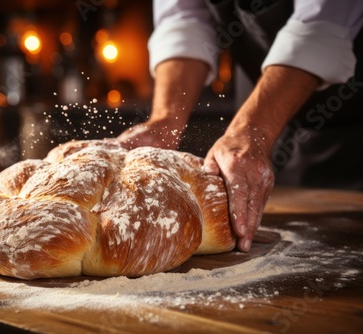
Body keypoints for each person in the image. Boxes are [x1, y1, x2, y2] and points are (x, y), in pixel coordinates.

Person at [116, 0, 363, 252]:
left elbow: (321, 28)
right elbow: (185, 21)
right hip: (259, 98)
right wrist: (164, 121)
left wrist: (252, 128)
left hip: (350, 119)